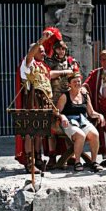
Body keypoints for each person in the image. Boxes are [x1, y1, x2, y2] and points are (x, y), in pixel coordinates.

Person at [14, 29, 77, 173]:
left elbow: (51, 74)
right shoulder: (28, 63)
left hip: (44, 102)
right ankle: (30, 163)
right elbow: (30, 54)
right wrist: (42, 40)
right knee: (30, 132)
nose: (44, 53)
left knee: (39, 133)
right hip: (32, 102)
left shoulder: (42, 65)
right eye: (41, 51)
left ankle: (38, 159)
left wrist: (65, 72)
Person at [55, 71, 105, 172]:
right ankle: (77, 162)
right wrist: (62, 117)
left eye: (79, 81)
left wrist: (100, 115)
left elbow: (91, 113)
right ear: (69, 84)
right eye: (74, 81)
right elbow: (56, 111)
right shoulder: (65, 96)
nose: (77, 83)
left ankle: (94, 162)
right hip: (68, 121)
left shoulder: (85, 96)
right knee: (80, 135)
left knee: (95, 134)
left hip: (82, 120)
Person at [44, 38, 81, 169]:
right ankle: (52, 157)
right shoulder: (49, 62)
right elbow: (48, 74)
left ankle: (70, 155)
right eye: (59, 48)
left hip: (68, 97)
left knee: (69, 126)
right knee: (52, 129)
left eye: (63, 48)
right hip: (53, 98)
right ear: (54, 49)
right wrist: (65, 72)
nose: (61, 51)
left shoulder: (71, 61)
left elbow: (77, 75)